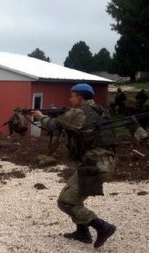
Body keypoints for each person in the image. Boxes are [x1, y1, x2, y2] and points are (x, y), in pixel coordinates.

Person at [33, 83, 118, 248]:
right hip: (107, 162)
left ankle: (102, 227)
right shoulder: (102, 111)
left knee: (65, 201)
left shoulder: (78, 112)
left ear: (80, 97)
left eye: (72, 96)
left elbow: (52, 125)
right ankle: (82, 232)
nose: (69, 99)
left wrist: (40, 116)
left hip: (94, 164)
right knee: (74, 199)